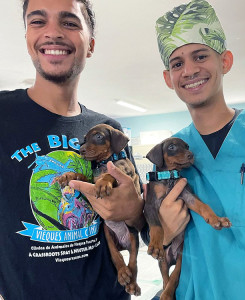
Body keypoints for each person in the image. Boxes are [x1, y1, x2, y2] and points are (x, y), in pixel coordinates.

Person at [0, 0, 148, 299]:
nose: (52, 32)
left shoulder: (108, 128)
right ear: (27, 37)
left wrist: (134, 210)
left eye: (69, 22)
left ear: (90, 44)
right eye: (38, 21)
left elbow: (139, 225)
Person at [153, 0, 245, 299]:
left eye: (200, 55)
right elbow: (160, 234)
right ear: (169, 79)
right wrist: (164, 234)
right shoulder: (172, 153)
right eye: (177, 63)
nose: (190, 70)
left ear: (225, 61)